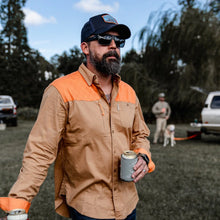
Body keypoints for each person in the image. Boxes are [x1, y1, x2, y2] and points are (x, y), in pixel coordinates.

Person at [0, 13, 155, 220]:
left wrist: (143, 156)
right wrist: (19, 204)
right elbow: (40, 151)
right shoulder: (61, 91)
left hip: (128, 206)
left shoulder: (129, 92)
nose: (113, 46)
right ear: (85, 47)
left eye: (119, 41)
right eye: (103, 39)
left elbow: (140, 134)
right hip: (87, 209)